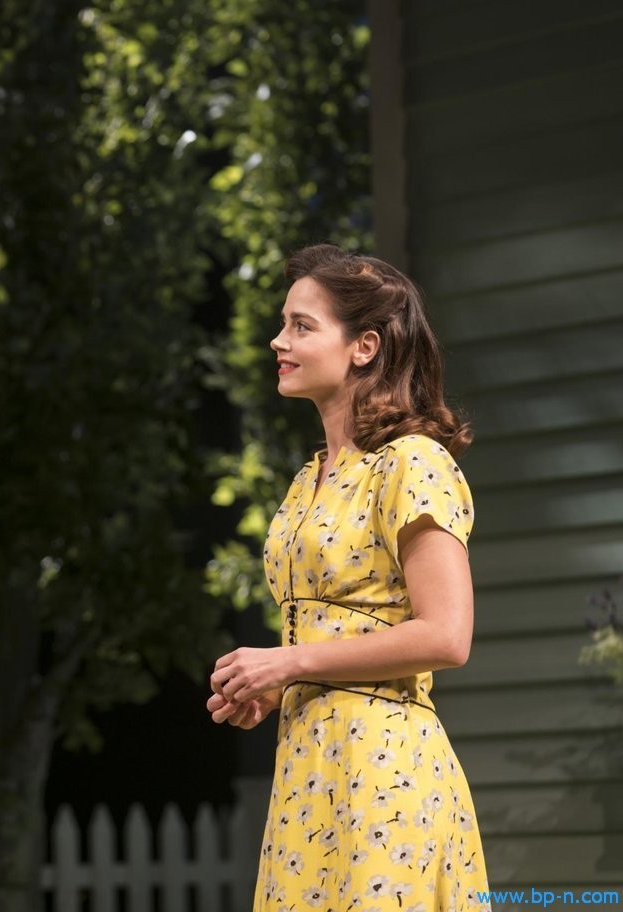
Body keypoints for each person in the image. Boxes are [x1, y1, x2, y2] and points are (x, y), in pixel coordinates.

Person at [207, 244, 491, 911]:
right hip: (308, 771)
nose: (279, 340)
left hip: (385, 772)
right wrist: (279, 685)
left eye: (301, 325)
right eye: (284, 323)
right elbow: (345, 629)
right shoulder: (309, 480)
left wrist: (290, 662)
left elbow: (448, 636)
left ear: (364, 346)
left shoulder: (411, 463)